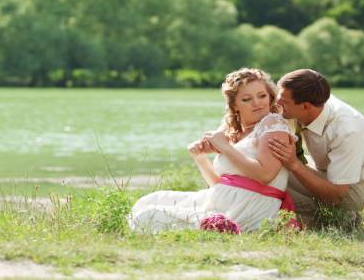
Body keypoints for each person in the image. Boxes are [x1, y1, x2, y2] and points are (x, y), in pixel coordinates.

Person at [128, 68, 298, 233]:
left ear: (270, 97)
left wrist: (224, 146)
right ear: (234, 105)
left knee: (148, 216)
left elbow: (265, 175)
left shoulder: (273, 124)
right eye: (247, 99)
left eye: (262, 96)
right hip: (218, 200)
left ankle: (214, 226)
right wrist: (200, 157)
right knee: (148, 201)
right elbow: (218, 184)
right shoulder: (238, 131)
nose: (257, 103)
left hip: (249, 208)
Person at [266, 69, 364, 228]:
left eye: (284, 101)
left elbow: (337, 194)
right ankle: (329, 217)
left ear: (306, 106)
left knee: (276, 170)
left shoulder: (347, 129)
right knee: (272, 161)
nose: (278, 103)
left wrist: (294, 164)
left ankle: (328, 220)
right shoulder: (309, 98)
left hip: (353, 189)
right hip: (327, 170)